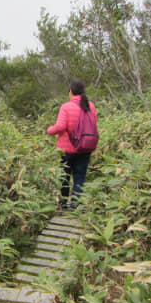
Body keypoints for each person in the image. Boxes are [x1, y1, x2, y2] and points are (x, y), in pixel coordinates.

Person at [46, 79, 97, 209]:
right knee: (79, 176)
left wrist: (49, 130)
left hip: (67, 149)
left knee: (64, 176)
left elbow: (61, 126)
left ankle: (63, 203)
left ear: (71, 92)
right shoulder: (91, 105)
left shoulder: (66, 107)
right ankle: (75, 203)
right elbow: (93, 124)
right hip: (85, 147)